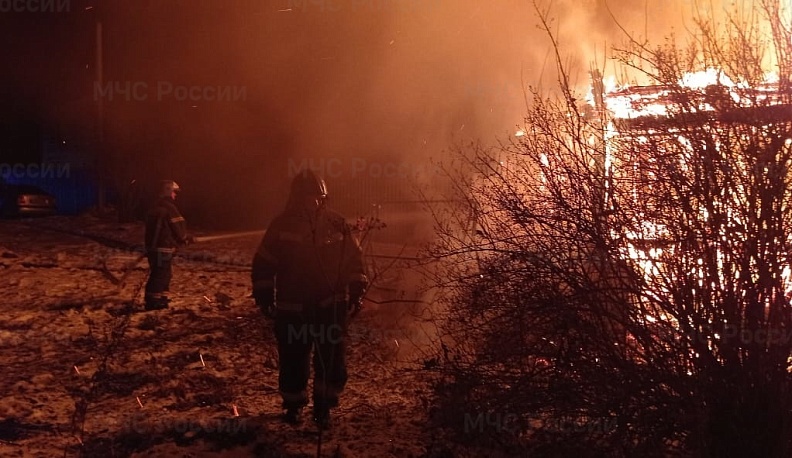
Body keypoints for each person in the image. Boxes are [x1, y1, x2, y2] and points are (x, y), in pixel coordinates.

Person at [251, 169, 368, 429]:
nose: (314, 202)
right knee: (293, 359)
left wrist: (357, 289)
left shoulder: (337, 224)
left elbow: (354, 260)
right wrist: (263, 296)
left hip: (331, 306)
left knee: (332, 359)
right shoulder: (281, 226)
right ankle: (293, 405)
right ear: (296, 198)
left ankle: (324, 407)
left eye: (319, 197)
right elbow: (264, 263)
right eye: (308, 197)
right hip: (293, 307)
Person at [144, 179, 193, 311]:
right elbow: (178, 226)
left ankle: (161, 298)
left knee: (164, 273)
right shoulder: (169, 208)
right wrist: (185, 238)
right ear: (168, 191)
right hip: (163, 247)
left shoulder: (155, 207)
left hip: (153, 247)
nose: (175, 195)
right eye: (174, 192)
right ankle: (153, 300)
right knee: (161, 274)